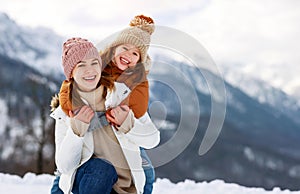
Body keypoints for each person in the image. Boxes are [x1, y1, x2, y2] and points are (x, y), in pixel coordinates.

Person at [50, 37, 159, 194]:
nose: (90, 70)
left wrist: (128, 124)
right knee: (101, 169)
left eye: (94, 63)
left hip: (125, 187)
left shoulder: (121, 94)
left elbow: (152, 139)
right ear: (71, 73)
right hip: (89, 183)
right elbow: (64, 167)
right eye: (81, 65)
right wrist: (76, 131)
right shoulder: (67, 112)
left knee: (146, 170)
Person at [100, 14, 156, 194]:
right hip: (100, 136)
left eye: (135, 53)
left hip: (125, 132)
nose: (128, 55)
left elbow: (140, 111)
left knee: (147, 172)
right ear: (114, 48)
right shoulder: (98, 69)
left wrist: (126, 118)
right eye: (125, 48)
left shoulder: (135, 81)